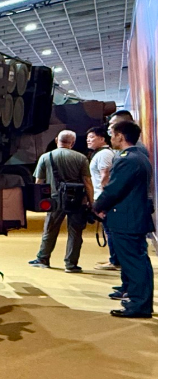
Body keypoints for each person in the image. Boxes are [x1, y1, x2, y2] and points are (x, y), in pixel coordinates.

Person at [93, 121, 155, 318]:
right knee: (138, 260)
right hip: (134, 217)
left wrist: (97, 206)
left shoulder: (127, 159)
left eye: (112, 134)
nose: (111, 138)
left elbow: (114, 189)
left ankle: (138, 305)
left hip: (126, 218)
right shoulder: (140, 156)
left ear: (120, 136)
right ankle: (137, 300)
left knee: (133, 262)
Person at [28, 130, 94, 273]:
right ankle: (71, 264)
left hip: (55, 200)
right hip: (77, 200)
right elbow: (87, 182)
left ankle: (43, 258)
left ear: (56, 139)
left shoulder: (46, 157)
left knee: (50, 229)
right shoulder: (81, 158)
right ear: (73, 143)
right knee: (75, 232)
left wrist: (38, 202)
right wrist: (91, 201)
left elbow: (39, 182)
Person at [85, 126, 119, 271]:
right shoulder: (101, 153)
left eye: (92, 137)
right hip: (102, 196)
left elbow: (105, 176)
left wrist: (103, 200)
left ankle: (115, 261)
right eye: (87, 138)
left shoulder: (104, 154)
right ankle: (114, 259)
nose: (88, 140)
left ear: (102, 139)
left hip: (103, 197)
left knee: (109, 230)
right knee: (108, 229)